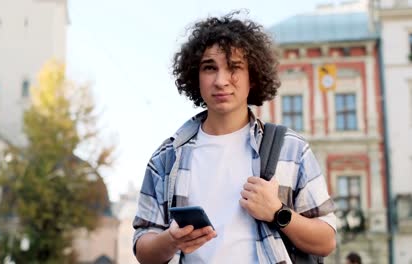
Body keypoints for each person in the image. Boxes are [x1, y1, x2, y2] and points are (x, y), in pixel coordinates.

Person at [133, 11, 337, 264]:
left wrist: (277, 212)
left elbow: (326, 241)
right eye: (209, 68)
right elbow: (143, 247)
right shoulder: (166, 158)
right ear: (196, 77)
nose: (221, 81)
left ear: (253, 77)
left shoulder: (291, 149)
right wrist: (172, 240)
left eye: (234, 67)